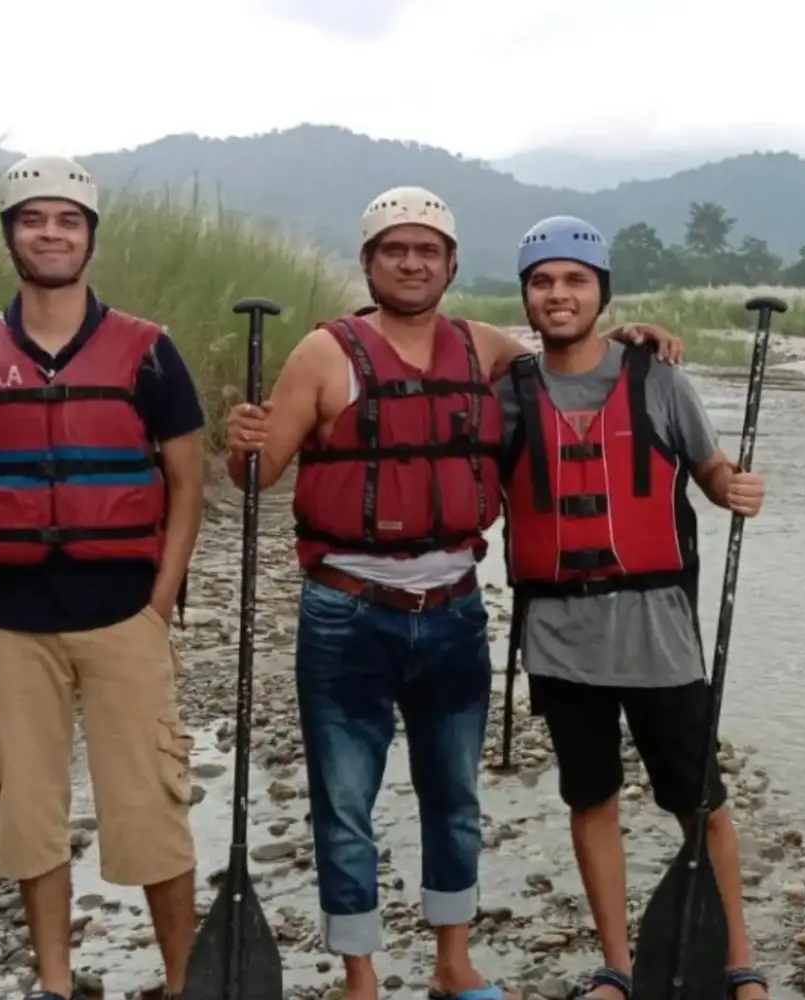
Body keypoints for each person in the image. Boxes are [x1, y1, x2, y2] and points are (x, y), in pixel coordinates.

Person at [222, 186, 683, 1000]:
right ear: (368, 263)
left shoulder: (482, 348)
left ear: (451, 264)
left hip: (454, 609)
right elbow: (259, 476)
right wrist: (242, 444)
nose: (411, 262)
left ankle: (452, 962)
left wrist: (632, 338)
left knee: (455, 797)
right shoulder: (323, 355)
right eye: (394, 249)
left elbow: (570, 356)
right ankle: (360, 974)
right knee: (345, 801)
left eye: (427, 250)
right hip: (346, 613)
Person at [0, 156, 206, 1000]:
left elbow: (186, 481)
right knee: (28, 813)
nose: (52, 234)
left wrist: (160, 601)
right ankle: (58, 983)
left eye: (68, 220)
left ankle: (183, 982)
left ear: (90, 237)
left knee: (149, 805)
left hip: (121, 612)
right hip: (10, 618)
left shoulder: (149, 350)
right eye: (34, 220)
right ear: (10, 238)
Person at [497, 216, 769, 1000]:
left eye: (574, 281)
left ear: (600, 293)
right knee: (592, 799)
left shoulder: (659, 379)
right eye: (543, 282)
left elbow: (710, 470)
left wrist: (734, 490)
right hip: (559, 635)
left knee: (700, 799)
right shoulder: (508, 395)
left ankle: (736, 958)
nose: (558, 294)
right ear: (526, 296)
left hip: (657, 632)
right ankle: (616, 966)